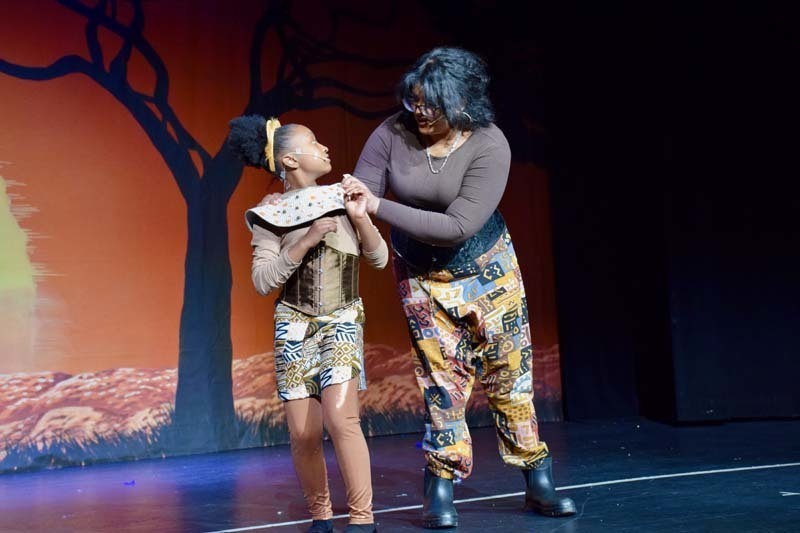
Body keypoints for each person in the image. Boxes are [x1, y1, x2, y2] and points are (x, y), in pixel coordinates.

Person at [342, 47, 576, 528]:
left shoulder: (489, 144)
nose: (420, 111)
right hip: (421, 277)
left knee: (509, 376)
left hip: (488, 271)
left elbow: (457, 226)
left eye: (432, 103)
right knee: (440, 383)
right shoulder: (391, 133)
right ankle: (440, 485)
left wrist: (378, 208)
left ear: (462, 101)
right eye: (414, 100)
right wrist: (353, 208)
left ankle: (537, 477)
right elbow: (359, 196)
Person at [227, 115, 387, 533]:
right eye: (314, 142)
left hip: (342, 317)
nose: (325, 148)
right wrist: (306, 240)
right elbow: (263, 281)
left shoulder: (342, 196)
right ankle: (321, 516)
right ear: (290, 160)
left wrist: (361, 217)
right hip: (294, 323)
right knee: (303, 433)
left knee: (341, 418)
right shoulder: (270, 213)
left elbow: (379, 258)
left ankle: (362, 518)